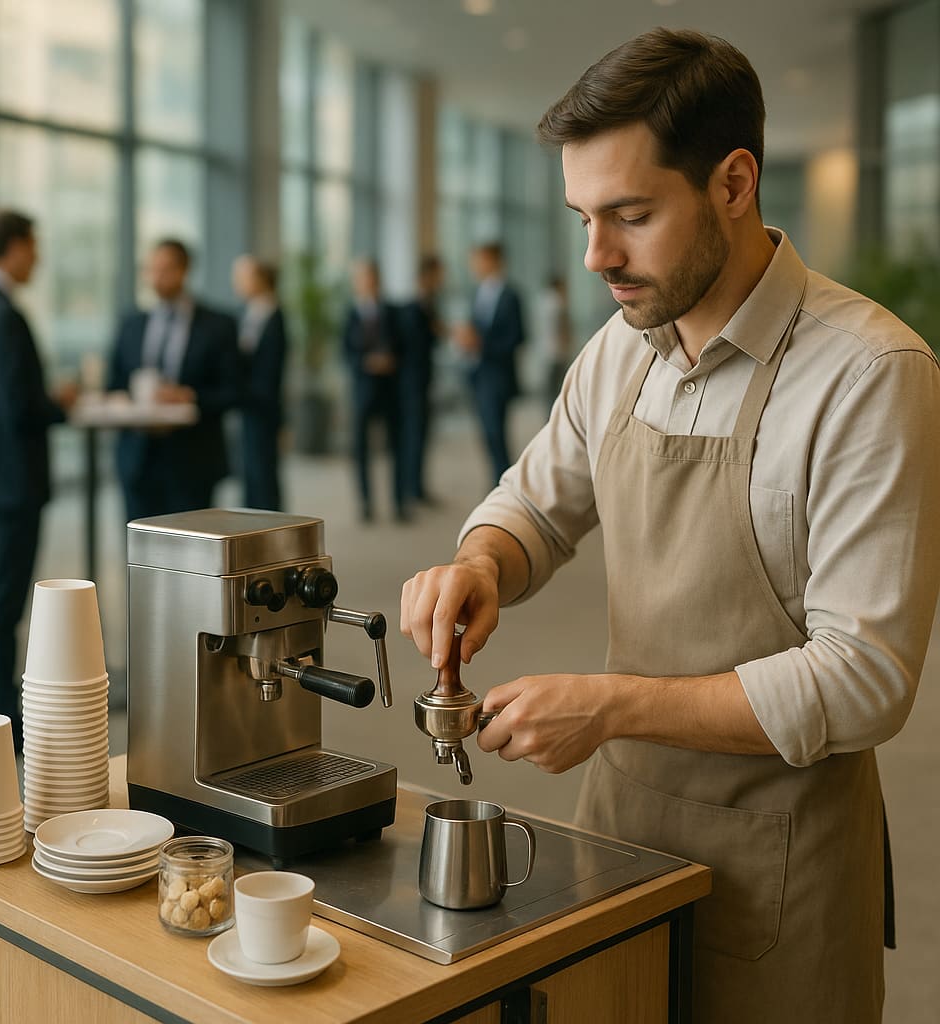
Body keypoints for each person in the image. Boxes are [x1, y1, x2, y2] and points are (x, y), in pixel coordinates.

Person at [400, 28, 940, 1024]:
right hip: (622, 838)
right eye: (582, 217)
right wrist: (480, 562)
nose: (596, 256)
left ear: (734, 183)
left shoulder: (868, 374)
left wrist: (608, 706)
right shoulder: (622, 346)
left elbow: (864, 679)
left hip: (786, 868)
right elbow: (535, 501)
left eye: (631, 215)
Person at [0, 208, 78, 749]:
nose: (39, 257)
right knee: (1, 603)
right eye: (34, 245)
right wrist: (61, 403)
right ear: (16, 247)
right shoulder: (4, 316)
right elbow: (20, 408)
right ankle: (1, 718)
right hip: (10, 481)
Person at [107, 239, 238, 523]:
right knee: (139, 553)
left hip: (192, 458)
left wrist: (189, 397)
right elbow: (114, 383)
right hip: (138, 458)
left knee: (190, 553)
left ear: (184, 270)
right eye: (151, 270)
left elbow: (234, 391)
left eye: (165, 269)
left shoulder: (218, 326)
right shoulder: (131, 324)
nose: (156, 278)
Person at [455, 242, 525, 487]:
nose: (475, 266)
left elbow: (517, 337)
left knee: (497, 435)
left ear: (495, 261)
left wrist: (481, 344)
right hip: (479, 374)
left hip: (499, 376)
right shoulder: (478, 293)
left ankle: (504, 486)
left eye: (480, 260)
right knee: (487, 435)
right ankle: (495, 484)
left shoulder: (510, 295)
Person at [342, 259, 406, 523]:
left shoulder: (393, 311)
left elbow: (404, 347)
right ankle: (366, 502)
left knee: (397, 446)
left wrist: (391, 361)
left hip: (391, 389)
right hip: (362, 389)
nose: (366, 282)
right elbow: (346, 352)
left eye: (369, 277)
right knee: (360, 449)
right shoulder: (351, 314)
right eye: (361, 278)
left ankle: (399, 501)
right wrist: (366, 363)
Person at [232, 255, 288, 511]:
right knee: (251, 473)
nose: (237, 283)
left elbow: (269, 370)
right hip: (250, 405)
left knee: (264, 472)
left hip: (263, 406)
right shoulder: (250, 314)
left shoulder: (273, 316)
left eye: (242, 277)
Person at [399, 255, 445, 506]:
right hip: (412, 383)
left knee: (421, 434)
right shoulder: (413, 307)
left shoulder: (429, 303)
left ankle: (417, 486)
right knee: (414, 434)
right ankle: (411, 487)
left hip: (424, 380)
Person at [536, 275, 572, 410]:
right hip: (557, 351)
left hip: (545, 351)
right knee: (559, 387)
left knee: (549, 389)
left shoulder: (542, 301)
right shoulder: (557, 303)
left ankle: (550, 414)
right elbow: (562, 328)